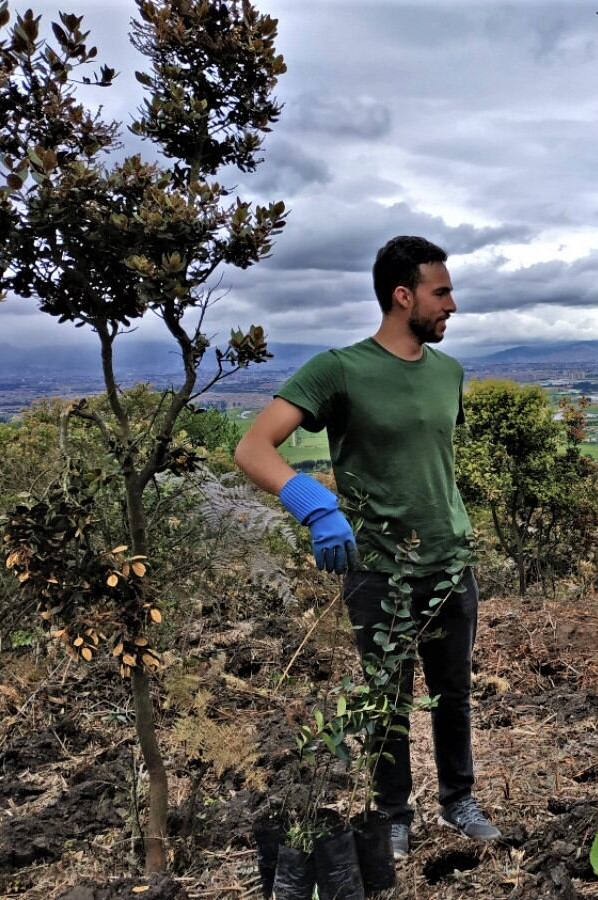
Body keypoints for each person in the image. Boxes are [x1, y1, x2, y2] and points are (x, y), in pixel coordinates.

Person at [234, 235, 500, 860]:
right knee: (387, 698)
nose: (452, 305)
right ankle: (393, 814)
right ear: (402, 295)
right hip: (379, 569)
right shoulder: (339, 369)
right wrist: (315, 505)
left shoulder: (450, 373)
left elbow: (429, 463)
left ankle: (459, 800)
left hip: (449, 564)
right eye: (441, 292)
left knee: (454, 692)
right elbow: (253, 448)